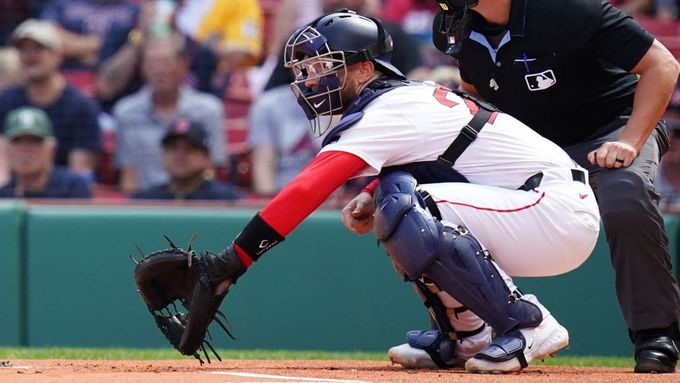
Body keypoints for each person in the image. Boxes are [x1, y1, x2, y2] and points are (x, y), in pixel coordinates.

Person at [142, 10, 601, 374]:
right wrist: (376, 191)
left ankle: (527, 324)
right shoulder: (395, 102)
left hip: (553, 209)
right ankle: (470, 336)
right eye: (307, 70)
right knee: (396, 197)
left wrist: (231, 262)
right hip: (535, 208)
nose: (310, 80)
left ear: (363, 69)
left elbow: (309, 186)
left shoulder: (390, 106)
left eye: (324, 67)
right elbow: (438, 165)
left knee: (409, 208)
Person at [406, 0, 680, 374]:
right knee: (417, 199)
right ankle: (466, 332)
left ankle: (656, 334)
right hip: (532, 145)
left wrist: (630, 141)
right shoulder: (452, 25)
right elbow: (476, 92)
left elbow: (662, 65)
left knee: (624, 195)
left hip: (610, 128)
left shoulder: (567, 8)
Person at [113, 34, 226, 193]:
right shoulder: (126, 112)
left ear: (183, 65)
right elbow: (128, 174)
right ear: (143, 67)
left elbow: (212, 169)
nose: (159, 70)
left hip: (196, 201)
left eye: (166, 63)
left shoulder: (209, 109)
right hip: (146, 205)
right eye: (152, 63)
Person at [0, 19, 102, 182]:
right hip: (10, 193)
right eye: (23, 50)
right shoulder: (5, 101)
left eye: (38, 49)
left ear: (58, 55)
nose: (30, 56)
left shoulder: (81, 106)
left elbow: (81, 174)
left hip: (62, 198)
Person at [132, 117, 241, 201]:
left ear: (206, 158)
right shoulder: (146, 199)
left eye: (190, 148)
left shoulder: (226, 199)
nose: (180, 155)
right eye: (173, 147)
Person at [0, 107, 91, 199]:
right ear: (6, 149)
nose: (25, 150)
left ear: (52, 148)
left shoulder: (72, 186)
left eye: (35, 141)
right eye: (17, 141)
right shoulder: (3, 194)